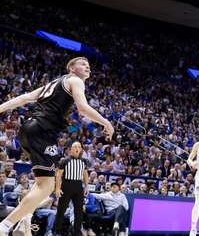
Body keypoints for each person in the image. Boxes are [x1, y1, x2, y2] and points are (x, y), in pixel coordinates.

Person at [0, 57, 114, 236]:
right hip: (42, 130)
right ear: (71, 68)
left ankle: (24, 220)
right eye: (83, 64)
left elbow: (24, 98)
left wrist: (0, 108)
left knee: (41, 184)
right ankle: (5, 226)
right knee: (47, 185)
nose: (87, 67)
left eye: (88, 65)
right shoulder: (75, 80)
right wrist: (106, 122)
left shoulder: (53, 84)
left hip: (28, 129)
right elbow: (82, 109)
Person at [54, 141, 89, 236]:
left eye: (79, 146)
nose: (77, 148)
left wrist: (86, 187)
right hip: (66, 185)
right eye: (75, 146)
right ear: (71, 149)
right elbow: (58, 175)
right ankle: (57, 231)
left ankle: (77, 232)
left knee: (79, 211)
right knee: (61, 210)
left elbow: (85, 174)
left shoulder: (84, 161)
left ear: (81, 149)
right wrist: (57, 189)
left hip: (78, 186)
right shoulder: (65, 160)